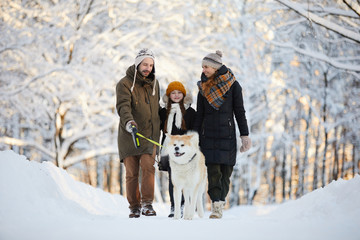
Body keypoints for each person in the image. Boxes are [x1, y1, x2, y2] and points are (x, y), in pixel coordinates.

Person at [193, 50, 251, 219]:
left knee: (226, 172)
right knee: (213, 172)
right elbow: (199, 115)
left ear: (215, 67)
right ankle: (216, 206)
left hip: (228, 136)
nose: (203, 70)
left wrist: (245, 135)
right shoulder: (203, 88)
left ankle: (220, 201)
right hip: (208, 136)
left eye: (206, 67)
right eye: (202, 67)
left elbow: (239, 112)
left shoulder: (233, 85)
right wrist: (195, 137)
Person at [115, 48, 160, 218]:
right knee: (132, 172)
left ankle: (147, 204)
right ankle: (134, 206)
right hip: (129, 134)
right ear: (137, 64)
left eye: (150, 64)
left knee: (149, 167)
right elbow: (123, 107)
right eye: (144, 64)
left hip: (150, 135)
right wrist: (129, 122)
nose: (147, 67)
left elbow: (156, 109)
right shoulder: (124, 83)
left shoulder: (155, 83)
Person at [159, 81, 196, 217]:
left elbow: (193, 133)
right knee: (173, 179)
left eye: (179, 93)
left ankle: (184, 206)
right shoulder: (163, 112)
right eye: (173, 93)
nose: (176, 95)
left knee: (185, 179)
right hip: (169, 149)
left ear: (184, 95)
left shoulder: (191, 112)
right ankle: (174, 207)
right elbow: (157, 128)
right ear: (168, 96)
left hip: (185, 151)